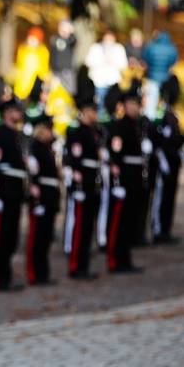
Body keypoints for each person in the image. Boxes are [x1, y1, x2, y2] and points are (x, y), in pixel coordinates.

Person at [0, 99, 27, 291]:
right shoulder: (1, 134)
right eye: (16, 110)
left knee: (10, 237)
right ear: (7, 112)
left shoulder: (15, 134)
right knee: (0, 237)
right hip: (4, 191)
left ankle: (6, 276)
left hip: (15, 191)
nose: (20, 113)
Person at [105, 88, 146, 274]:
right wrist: (117, 182)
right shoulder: (119, 126)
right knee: (118, 222)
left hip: (135, 177)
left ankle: (126, 258)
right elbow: (115, 156)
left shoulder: (138, 125)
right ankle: (115, 260)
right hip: (124, 177)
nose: (135, 107)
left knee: (130, 221)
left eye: (137, 104)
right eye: (132, 104)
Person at [64, 97, 103, 279]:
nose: (95, 114)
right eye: (92, 110)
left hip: (92, 181)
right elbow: (75, 159)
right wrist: (77, 185)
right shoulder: (78, 132)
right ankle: (76, 266)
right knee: (80, 227)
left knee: (87, 227)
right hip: (83, 182)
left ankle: (83, 265)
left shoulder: (93, 131)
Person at [26, 113, 61, 285]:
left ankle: (43, 273)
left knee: (46, 237)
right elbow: (32, 173)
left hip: (50, 194)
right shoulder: (35, 148)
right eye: (48, 129)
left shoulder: (47, 148)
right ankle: (35, 273)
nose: (51, 132)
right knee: (37, 237)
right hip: (41, 195)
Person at [151, 75, 184, 243]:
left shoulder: (171, 114)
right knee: (161, 197)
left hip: (173, 162)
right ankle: (158, 229)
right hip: (164, 162)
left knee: (169, 197)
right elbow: (157, 140)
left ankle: (165, 228)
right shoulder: (161, 114)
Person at [84, 29, 128, 119]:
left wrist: (113, 61)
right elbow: (88, 62)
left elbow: (124, 64)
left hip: (113, 82)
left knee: (112, 106)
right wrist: (102, 61)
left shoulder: (118, 48)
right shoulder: (95, 47)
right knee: (100, 104)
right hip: (99, 82)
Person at [142, 30, 179, 120]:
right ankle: (163, 120)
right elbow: (174, 61)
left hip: (152, 76)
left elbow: (145, 59)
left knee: (151, 100)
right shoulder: (172, 48)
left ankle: (149, 120)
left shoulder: (151, 46)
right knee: (164, 101)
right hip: (166, 78)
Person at [13, 27, 51, 102]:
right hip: (22, 84)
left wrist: (45, 83)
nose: (32, 41)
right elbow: (19, 65)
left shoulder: (43, 51)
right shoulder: (22, 49)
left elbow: (44, 69)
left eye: (35, 39)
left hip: (36, 84)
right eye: (30, 38)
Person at [49, 20, 78, 95]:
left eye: (66, 28)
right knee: (54, 93)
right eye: (62, 28)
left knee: (68, 94)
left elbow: (74, 40)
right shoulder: (55, 38)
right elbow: (58, 45)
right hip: (55, 72)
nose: (64, 30)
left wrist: (71, 33)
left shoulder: (71, 40)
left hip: (67, 72)